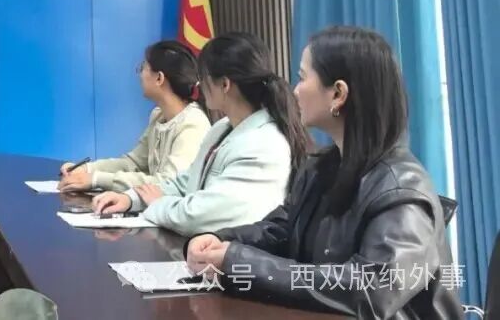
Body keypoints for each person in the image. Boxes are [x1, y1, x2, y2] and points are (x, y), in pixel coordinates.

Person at [185, 26, 463, 319]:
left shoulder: (401, 188)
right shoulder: (321, 168)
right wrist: (221, 241)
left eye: (303, 77)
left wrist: (240, 260)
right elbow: (283, 230)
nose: (295, 90)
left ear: (338, 94)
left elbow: (372, 289)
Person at [92, 32, 310, 236]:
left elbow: (202, 214)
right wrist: (131, 198)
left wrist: (158, 205)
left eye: (204, 77)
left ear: (224, 84)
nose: (199, 84)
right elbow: (186, 182)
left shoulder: (263, 143)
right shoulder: (222, 128)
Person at [58, 40, 211, 192]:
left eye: (143, 68)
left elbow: (168, 184)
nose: (139, 75)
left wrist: (97, 179)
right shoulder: (158, 115)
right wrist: (86, 169)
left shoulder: (193, 124)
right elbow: (133, 163)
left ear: (159, 78)